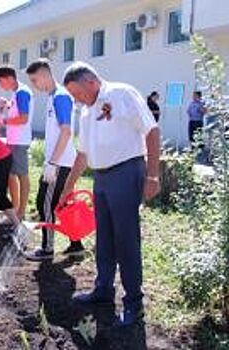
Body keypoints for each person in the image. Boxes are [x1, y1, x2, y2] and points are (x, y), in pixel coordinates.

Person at [60, 62, 160, 327]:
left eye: (77, 93)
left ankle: (134, 303)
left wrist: (153, 175)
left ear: (91, 82)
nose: (75, 99)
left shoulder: (121, 94)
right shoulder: (85, 111)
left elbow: (151, 130)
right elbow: (83, 153)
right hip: (101, 178)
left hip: (127, 172)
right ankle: (103, 290)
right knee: (104, 237)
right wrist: (68, 188)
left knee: (126, 239)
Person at [23, 59, 84, 260]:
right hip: (60, 162)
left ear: (44, 75)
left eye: (34, 80)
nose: (34, 85)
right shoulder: (53, 97)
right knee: (64, 204)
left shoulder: (60, 96)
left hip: (60, 163)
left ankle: (47, 249)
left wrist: (52, 163)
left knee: (45, 204)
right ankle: (76, 244)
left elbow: (66, 132)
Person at [0, 66, 34, 221]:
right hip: (13, 140)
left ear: (9, 78)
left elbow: (23, 118)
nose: (1, 86)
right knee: (11, 174)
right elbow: (16, 112)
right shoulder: (16, 93)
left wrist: (4, 120)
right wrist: (7, 106)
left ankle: (21, 211)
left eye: (1, 82)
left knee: (22, 175)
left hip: (20, 141)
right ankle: (14, 208)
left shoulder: (23, 92)